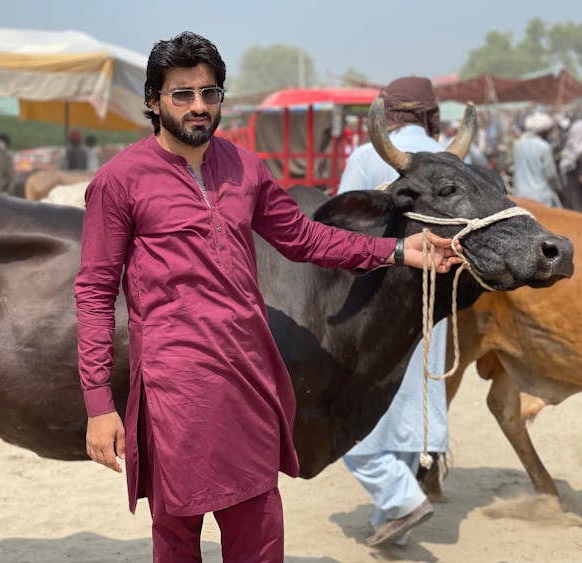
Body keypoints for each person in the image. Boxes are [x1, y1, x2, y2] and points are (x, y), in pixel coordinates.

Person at [75, 32, 461, 562]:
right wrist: (99, 404)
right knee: (178, 538)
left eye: (209, 93)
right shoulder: (119, 182)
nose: (198, 106)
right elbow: (95, 293)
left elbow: (305, 238)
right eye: (182, 94)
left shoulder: (244, 168)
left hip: (249, 383)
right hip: (176, 390)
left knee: (259, 537)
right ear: (152, 100)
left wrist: (398, 250)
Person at [338, 76, 449, 548]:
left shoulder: (367, 156)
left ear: (389, 113)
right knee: (411, 407)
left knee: (350, 417)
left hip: (379, 303)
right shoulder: (455, 158)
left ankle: (401, 499)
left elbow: (340, 224)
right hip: (434, 299)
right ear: (429, 113)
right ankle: (393, 516)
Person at [512, 113, 562, 208]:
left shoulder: (518, 145)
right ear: (543, 131)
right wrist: (558, 187)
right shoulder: (544, 147)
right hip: (540, 196)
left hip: (520, 194)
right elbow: (551, 174)